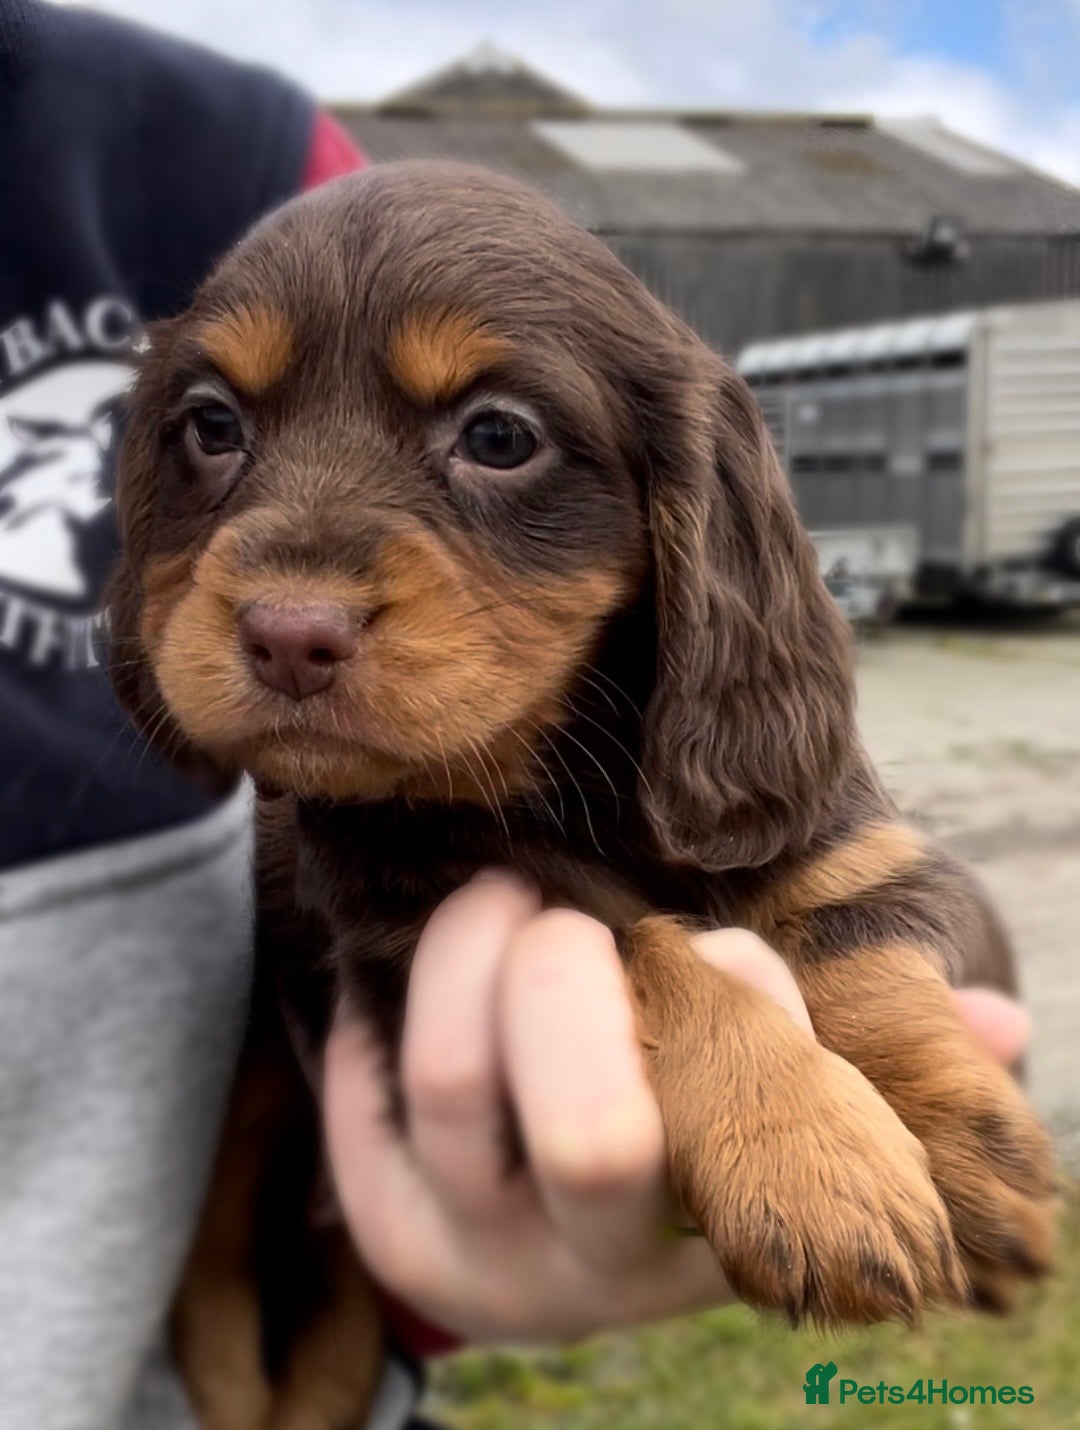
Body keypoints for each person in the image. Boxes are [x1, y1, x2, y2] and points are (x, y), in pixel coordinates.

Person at [0, 4, 1030, 1428]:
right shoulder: (357, 821)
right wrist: (692, 1021)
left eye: (495, 438)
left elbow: (920, 913)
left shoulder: (220, 150)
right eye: (218, 431)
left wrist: (871, 1023)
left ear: (678, 508)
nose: (292, 606)